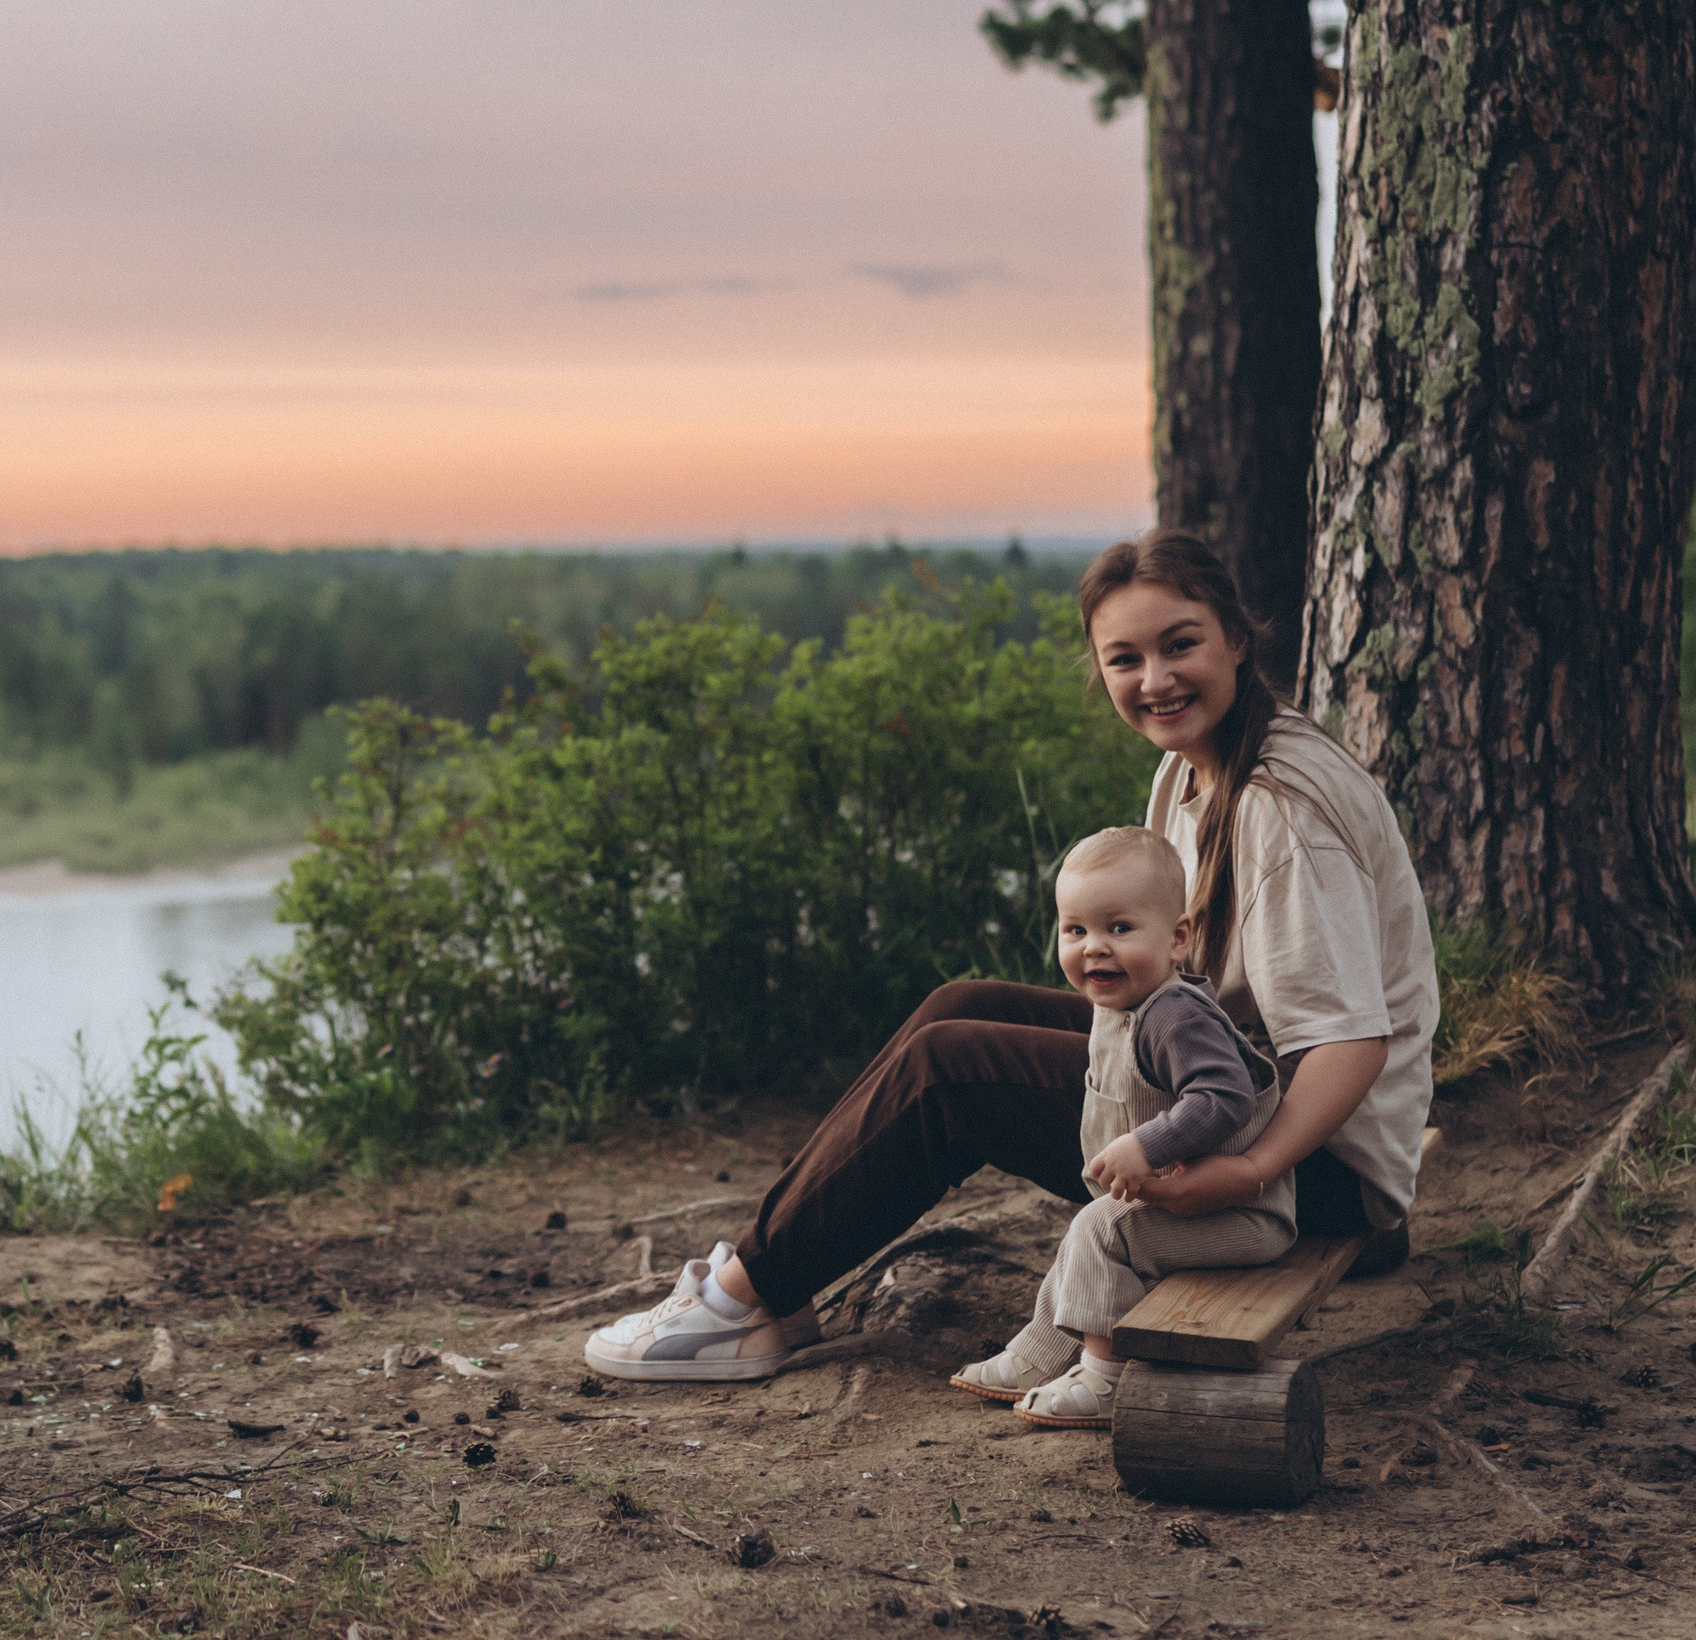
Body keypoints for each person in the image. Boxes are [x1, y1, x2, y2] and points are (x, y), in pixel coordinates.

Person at [583, 528, 1437, 1386]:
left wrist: (1244, 1172)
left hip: (1312, 1172)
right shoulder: (1196, 768)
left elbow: (1348, 1041)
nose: (1156, 680)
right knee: (958, 1007)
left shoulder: (1278, 809)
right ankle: (778, 1281)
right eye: (1124, 659)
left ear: (1237, 640)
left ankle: (741, 1299)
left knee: (952, 1070)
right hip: (1237, 1086)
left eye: (1181, 645)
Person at [951, 827, 1292, 1428]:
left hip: (1244, 1218)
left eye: (1120, 929)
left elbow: (1225, 1096)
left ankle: (1107, 1377)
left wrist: (1146, 1143)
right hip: (1191, 1209)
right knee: (1088, 1236)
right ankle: (1039, 1353)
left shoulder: (1174, 1016)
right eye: (1075, 930)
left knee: (1102, 1233)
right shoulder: (1118, 1007)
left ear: (1178, 938)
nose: (1095, 949)